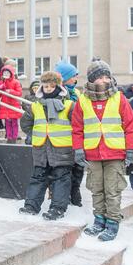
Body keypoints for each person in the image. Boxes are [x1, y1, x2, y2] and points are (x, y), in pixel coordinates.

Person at [72, 59, 133, 241]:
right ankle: (99, 219)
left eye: (106, 76)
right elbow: (77, 128)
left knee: (112, 189)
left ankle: (113, 222)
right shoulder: (83, 101)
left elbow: (131, 126)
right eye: (100, 77)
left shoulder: (119, 98)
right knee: (96, 188)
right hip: (92, 154)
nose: (104, 80)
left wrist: (131, 149)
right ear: (92, 80)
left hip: (115, 153)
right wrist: (78, 149)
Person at [18, 71, 74, 220]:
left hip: (62, 149)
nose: (48, 89)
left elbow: (78, 125)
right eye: (46, 86)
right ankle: (31, 205)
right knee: (38, 177)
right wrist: (36, 134)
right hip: (41, 149)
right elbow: (25, 123)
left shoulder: (68, 105)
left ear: (58, 87)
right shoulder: (36, 106)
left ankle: (57, 208)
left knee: (61, 179)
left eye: (52, 86)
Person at [55, 60, 84, 206]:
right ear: (65, 78)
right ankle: (62, 198)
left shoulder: (77, 93)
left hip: (77, 137)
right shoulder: (57, 94)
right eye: (73, 75)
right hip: (63, 139)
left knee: (78, 168)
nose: (76, 78)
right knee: (63, 172)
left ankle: (75, 193)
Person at [0, 64, 23, 143]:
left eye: (8, 73)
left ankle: (14, 137)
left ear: (11, 73)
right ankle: (9, 137)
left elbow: (19, 93)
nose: (6, 75)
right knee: (7, 123)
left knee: (14, 123)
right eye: (4, 73)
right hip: (5, 105)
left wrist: (10, 91)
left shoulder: (16, 82)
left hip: (13, 105)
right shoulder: (1, 82)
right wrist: (0, 88)